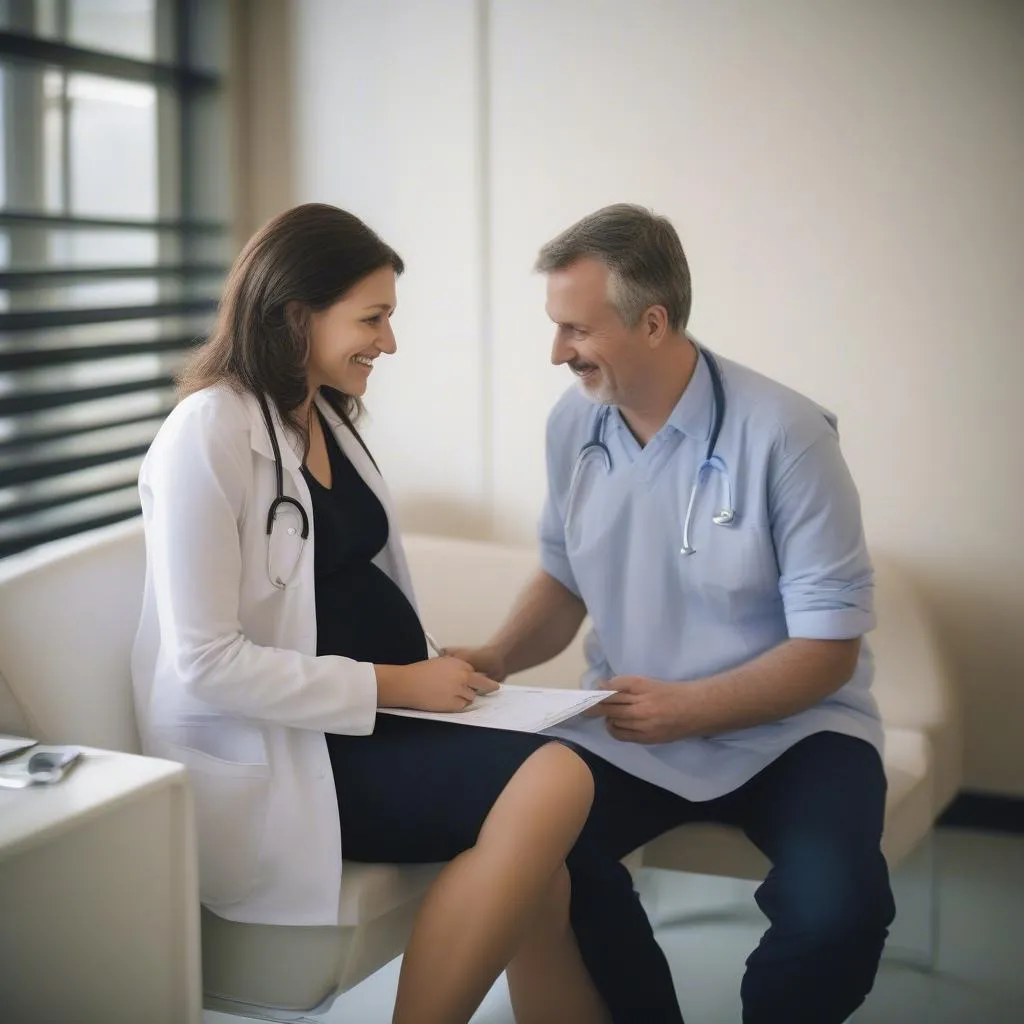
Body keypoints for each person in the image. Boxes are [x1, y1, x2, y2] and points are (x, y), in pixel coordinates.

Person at [130, 203, 610, 1024]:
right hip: (292, 755)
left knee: (547, 870)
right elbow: (206, 662)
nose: (388, 343)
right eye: (373, 318)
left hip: (369, 729)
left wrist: (434, 676)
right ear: (294, 313)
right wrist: (398, 684)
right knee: (558, 777)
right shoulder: (206, 433)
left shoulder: (322, 417)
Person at [448, 203, 896, 1024]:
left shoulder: (788, 436)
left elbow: (829, 653)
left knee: (840, 913)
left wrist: (691, 707)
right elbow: (564, 579)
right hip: (629, 728)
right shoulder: (575, 424)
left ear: (652, 323)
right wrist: (496, 656)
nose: (556, 353)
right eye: (555, 328)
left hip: (796, 731)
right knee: (533, 855)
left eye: (576, 330)